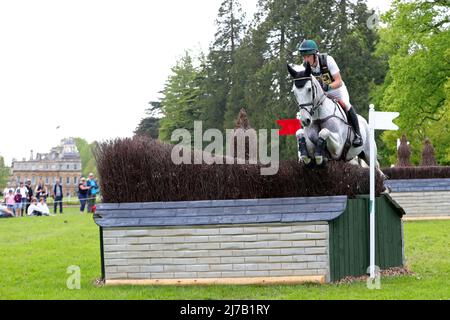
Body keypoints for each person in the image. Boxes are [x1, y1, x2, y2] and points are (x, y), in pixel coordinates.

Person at [298, 39, 363, 147]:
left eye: (308, 56)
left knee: (346, 105)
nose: (305, 59)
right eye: (304, 57)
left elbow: (339, 81)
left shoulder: (327, 60)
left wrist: (327, 86)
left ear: (315, 54)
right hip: (321, 94)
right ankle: (305, 138)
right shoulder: (304, 67)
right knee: (308, 110)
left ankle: (357, 134)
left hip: (336, 89)